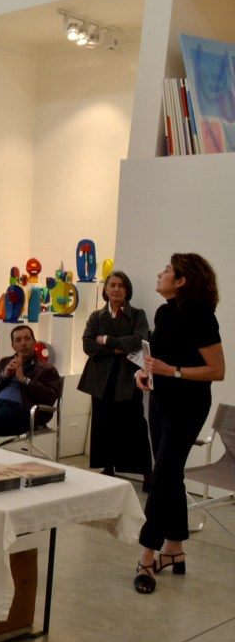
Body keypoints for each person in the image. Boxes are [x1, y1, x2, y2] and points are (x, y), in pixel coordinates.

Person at [133, 253, 225, 594]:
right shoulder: (163, 312)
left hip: (188, 407)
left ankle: (146, 556)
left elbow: (217, 370)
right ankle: (175, 550)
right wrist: (143, 373)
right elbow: (155, 358)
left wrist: (171, 371)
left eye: (167, 270)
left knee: (161, 478)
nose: (160, 274)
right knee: (170, 475)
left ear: (182, 281)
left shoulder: (202, 317)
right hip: (160, 401)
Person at [77, 271, 152, 485]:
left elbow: (139, 340)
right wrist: (117, 349)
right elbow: (88, 345)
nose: (116, 289)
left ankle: (147, 473)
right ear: (106, 289)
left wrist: (106, 340)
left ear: (127, 290)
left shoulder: (138, 315)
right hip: (100, 379)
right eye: (112, 285)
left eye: (121, 285)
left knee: (135, 425)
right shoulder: (96, 316)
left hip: (128, 377)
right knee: (104, 423)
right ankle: (108, 468)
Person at [0, 324, 63, 443]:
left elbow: (49, 397)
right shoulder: (5, 362)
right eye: (18, 340)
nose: (23, 343)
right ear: (13, 346)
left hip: (23, 411)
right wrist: (3, 376)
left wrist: (24, 380)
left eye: (27, 339)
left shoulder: (47, 369)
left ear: (34, 342)